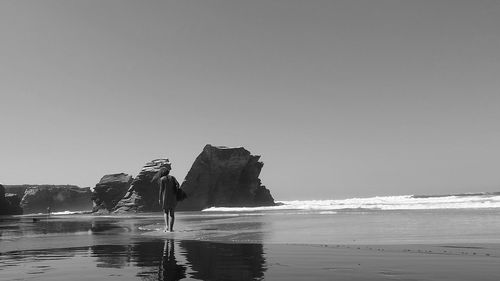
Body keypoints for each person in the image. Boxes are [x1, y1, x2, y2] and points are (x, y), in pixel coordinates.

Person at [158, 161, 180, 232]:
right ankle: (171, 229)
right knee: (172, 214)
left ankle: (167, 226)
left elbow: (161, 190)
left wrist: (159, 199)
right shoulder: (173, 178)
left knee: (166, 212)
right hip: (173, 197)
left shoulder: (162, 179)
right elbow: (178, 185)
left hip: (165, 197)